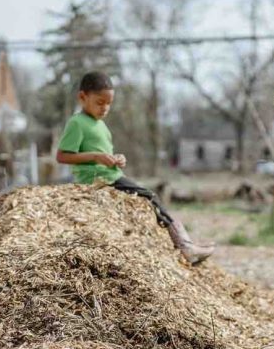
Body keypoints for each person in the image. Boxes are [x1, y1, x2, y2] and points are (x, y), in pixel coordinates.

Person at [56, 71, 214, 264]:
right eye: (99, 102)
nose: (105, 108)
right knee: (150, 196)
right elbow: (62, 156)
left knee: (147, 198)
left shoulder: (100, 125)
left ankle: (180, 244)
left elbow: (102, 151)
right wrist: (96, 157)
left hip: (111, 173)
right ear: (82, 97)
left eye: (109, 103)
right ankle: (185, 246)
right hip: (99, 179)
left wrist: (116, 158)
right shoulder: (77, 123)